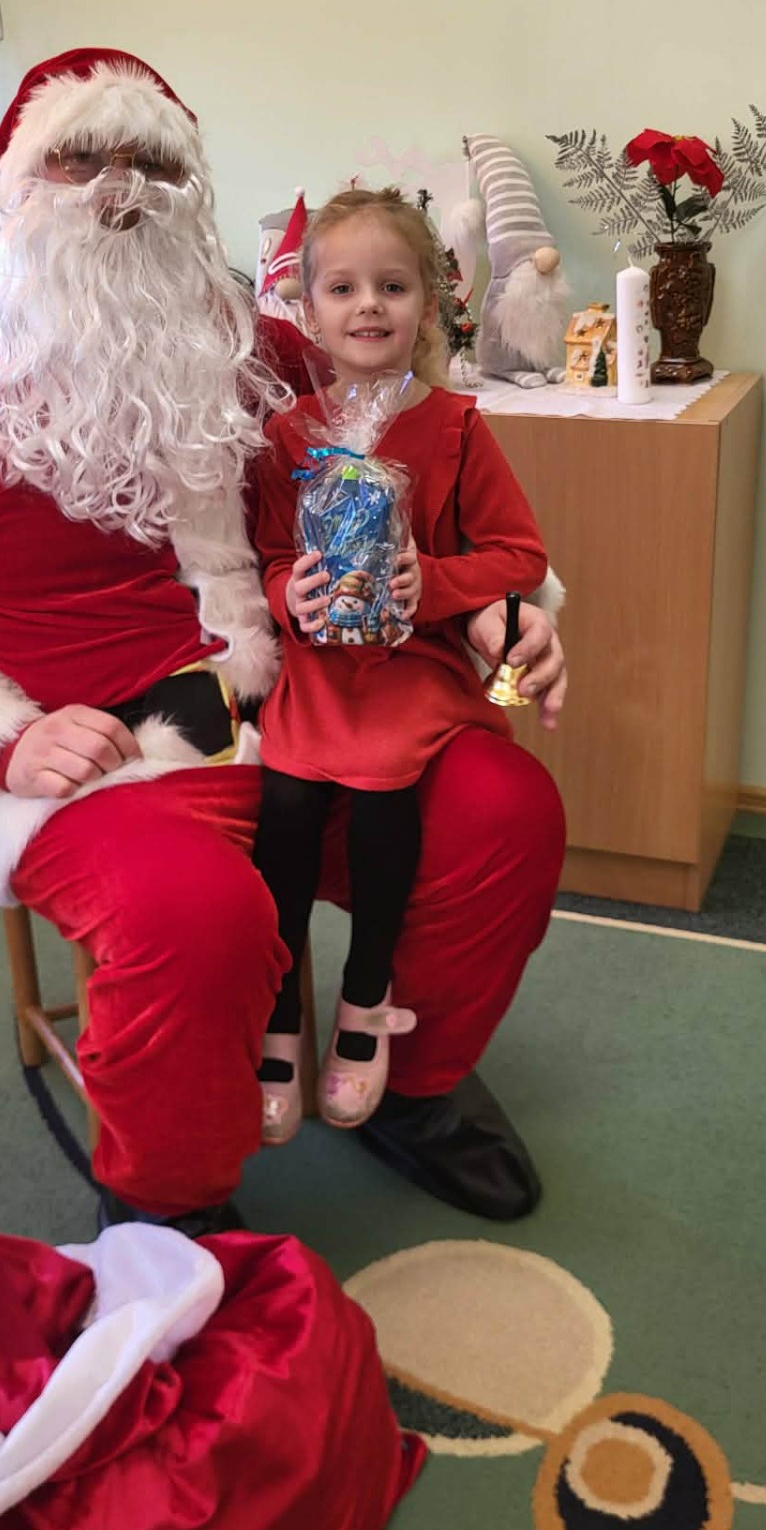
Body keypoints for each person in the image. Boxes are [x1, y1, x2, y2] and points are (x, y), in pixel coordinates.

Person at [0, 48, 567, 1238]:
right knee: (197, 918)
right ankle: (169, 1208)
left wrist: (507, 607)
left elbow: (415, 501)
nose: (119, 190)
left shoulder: (271, 354)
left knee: (504, 812)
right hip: (99, 758)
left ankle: (416, 1085)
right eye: (79, 158)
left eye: (151, 162)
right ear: (18, 187)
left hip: (314, 712)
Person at [252, 190, 548, 1142]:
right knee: (285, 804)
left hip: (411, 669)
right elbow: (268, 557)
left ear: (428, 304)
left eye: (392, 285)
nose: (369, 305)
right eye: (342, 288)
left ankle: (365, 997)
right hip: (316, 671)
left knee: (384, 791)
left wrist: (436, 583)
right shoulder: (290, 433)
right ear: (309, 311)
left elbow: (521, 556)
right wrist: (289, 595)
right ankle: (276, 1011)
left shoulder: (456, 426)